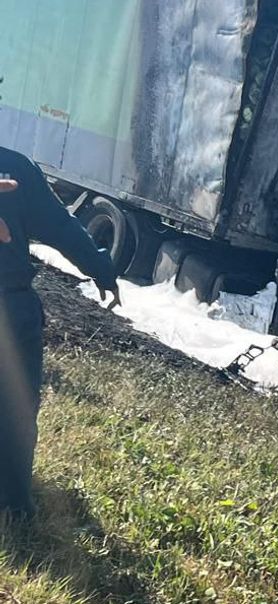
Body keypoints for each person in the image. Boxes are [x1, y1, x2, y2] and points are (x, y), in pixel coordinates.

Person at [0, 147, 120, 518]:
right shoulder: (15, 166)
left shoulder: (16, 170)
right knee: (16, 411)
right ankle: (13, 503)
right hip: (12, 308)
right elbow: (60, 225)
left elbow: (59, 225)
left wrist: (98, 265)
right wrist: (100, 266)